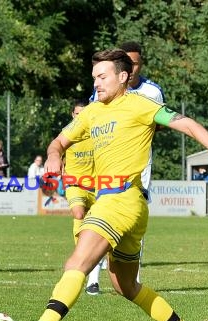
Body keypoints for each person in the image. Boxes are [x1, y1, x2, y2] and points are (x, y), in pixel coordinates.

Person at [0, 48, 208, 321]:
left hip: (120, 199)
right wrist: (54, 155)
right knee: (124, 285)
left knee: (78, 261)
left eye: (103, 76)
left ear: (123, 77)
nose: (96, 83)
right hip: (126, 204)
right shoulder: (92, 112)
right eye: (94, 77)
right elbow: (59, 141)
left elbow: (186, 124)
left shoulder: (141, 105)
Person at [86, 41, 165, 289]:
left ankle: (133, 277)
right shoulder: (103, 87)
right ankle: (93, 278)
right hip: (105, 161)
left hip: (140, 164)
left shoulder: (152, 92)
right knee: (99, 215)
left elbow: (161, 121)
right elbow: (91, 117)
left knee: (135, 218)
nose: (132, 68)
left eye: (135, 63)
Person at [62, 99, 102, 295]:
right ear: (72, 115)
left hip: (97, 187)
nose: (80, 117)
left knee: (98, 231)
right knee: (78, 214)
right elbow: (58, 154)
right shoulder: (67, 134)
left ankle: (93, 278)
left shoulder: (97, 133)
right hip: (75, 185)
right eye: (77, 114)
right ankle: (82, 253)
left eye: (83, 114)